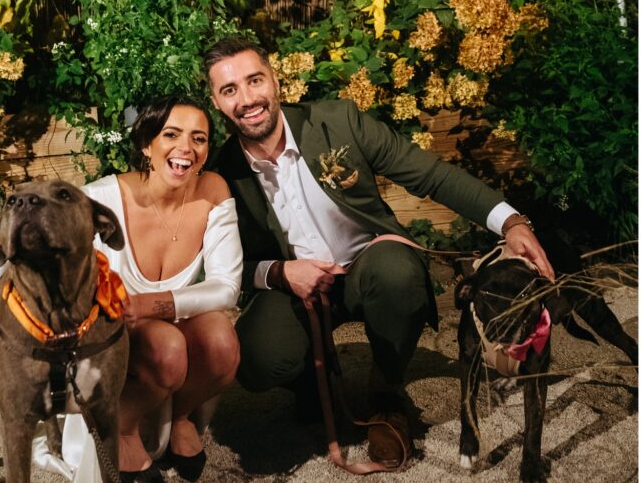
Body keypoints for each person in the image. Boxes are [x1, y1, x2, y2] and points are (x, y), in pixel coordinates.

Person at [202, 37, 554, 471]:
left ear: (275, 81)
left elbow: (432, 175)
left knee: (397, 275)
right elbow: (224, 262)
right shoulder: (220, 173)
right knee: (256, 357)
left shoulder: (339, 121)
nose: (247, 98)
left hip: (370, 266)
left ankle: (386, 392)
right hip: (295, 288)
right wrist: (279, 272)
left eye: (254, 80)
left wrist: (512, 222)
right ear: (217, 102)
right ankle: (313, 383)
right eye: (229, 89)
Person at [0, 95, 243, 483]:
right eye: (171, 134)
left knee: (222, 341)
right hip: (106, 341)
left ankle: (183, 415)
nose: (186, 148)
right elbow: (21, 232)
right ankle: (121, 428)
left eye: (199, 139)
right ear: (146, 144)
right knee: (167, 347)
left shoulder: (213, 191)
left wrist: (150, 304)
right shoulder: (101, 197)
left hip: (164, 324)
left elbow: (227, 288)